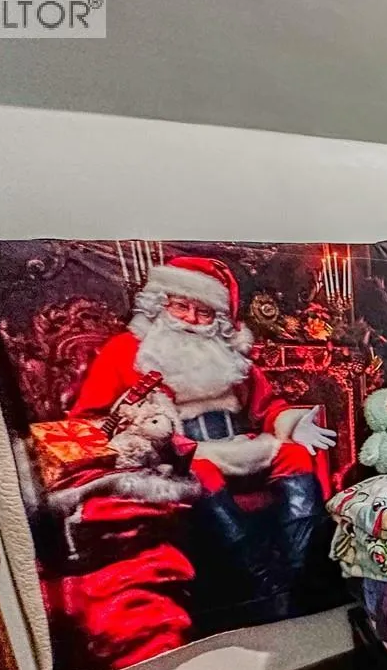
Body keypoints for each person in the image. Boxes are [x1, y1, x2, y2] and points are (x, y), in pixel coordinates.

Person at [71, 256, 337, 623]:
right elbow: (88, 421)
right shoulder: (126, 351)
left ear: (218, 319)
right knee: (203, 471)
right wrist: (135, 436)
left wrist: (292, 423)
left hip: (236, 445)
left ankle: (302, 572)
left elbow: (266, 407)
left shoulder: (228, 355)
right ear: (161, 304)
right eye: (181, 306)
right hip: (176, 455)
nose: (191, 319)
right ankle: (266, 585)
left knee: (295, 456)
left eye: (204, 312)